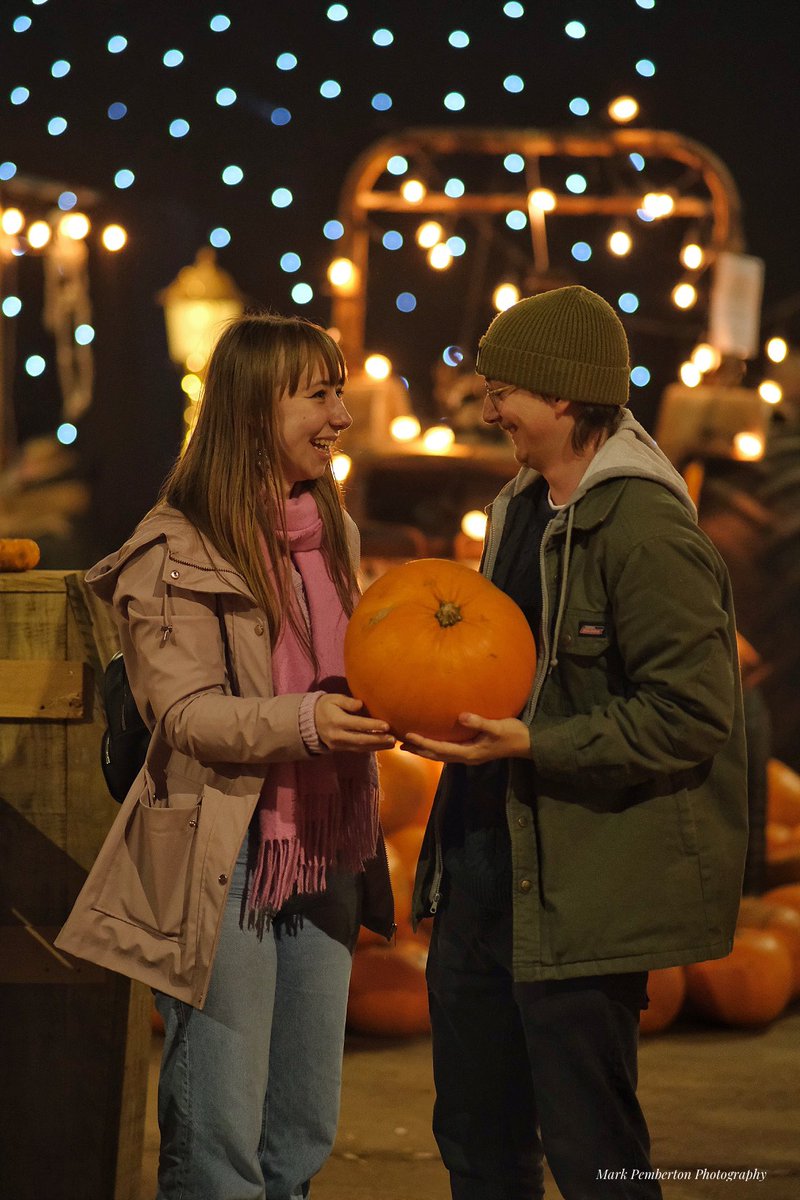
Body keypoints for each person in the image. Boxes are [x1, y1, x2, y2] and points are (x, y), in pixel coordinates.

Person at [407, 286, 748, 1200]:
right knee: (477, 1144)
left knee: (594, 1156)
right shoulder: (520, 508)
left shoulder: (645, 529)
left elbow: (691, 714)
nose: (487, 411)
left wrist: (535, 742)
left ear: (563, 397)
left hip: (582, 892)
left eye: (502, 390)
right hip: (483, 872)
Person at [56, 313, 396, 1200]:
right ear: (253, 409)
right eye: (318, 395)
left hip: (322, 842)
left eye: (339, 391)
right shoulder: (174, 547)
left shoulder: (332, 529)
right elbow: (189, 715)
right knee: (220, 1136)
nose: (341, 415)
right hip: (225, 850)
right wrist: (316, 724)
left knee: (301, 1125)